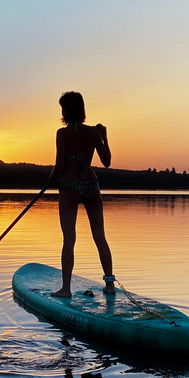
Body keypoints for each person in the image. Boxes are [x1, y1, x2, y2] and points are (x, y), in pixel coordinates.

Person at [49, 91, 116, 298]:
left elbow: (59, 166)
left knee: (69, 239)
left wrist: (52, 177)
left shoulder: (62, 133)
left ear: (66, 110)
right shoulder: (94, 133)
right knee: (100, 237)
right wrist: (104, 138)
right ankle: (110, 285)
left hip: (69, 187)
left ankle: (66, 289)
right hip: (91, 185)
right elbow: (106, 161)